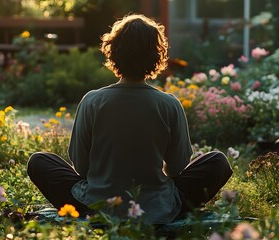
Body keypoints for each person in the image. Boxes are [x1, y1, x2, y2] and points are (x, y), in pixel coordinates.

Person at [27, 13, 233, 224]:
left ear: (113, 52)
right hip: (157, 207)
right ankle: (159, 213)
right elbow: (177, 168)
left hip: (96, 206)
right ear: (156, 56)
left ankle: (95, 215)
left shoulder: (92, 101)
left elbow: (81, 168)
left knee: (39, 161)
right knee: (217, 161)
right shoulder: (169, 104)